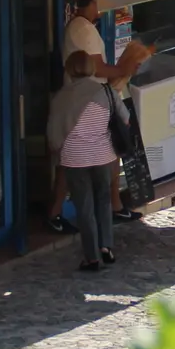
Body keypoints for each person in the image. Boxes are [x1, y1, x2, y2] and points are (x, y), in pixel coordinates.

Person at [46, 0, 150, 233]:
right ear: (94, 2)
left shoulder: (84, 28)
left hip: (93, 101)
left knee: (108, 153)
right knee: (72, 161)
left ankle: (112, 207)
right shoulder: (82, 29)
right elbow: (97, 67)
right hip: (86, 104)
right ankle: (58, 212)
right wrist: (123, 69)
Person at [47, 51, 125, 271]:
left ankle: (91, 257)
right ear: (92, 68)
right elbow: (125, 119)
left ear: (69, 70)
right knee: (104, 199)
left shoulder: (61, 97)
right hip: (103, 156)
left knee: (84, 206)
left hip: (74, 158)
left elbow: (53, 133)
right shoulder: (106, 92)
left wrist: (58, 151)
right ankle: (106, 246)